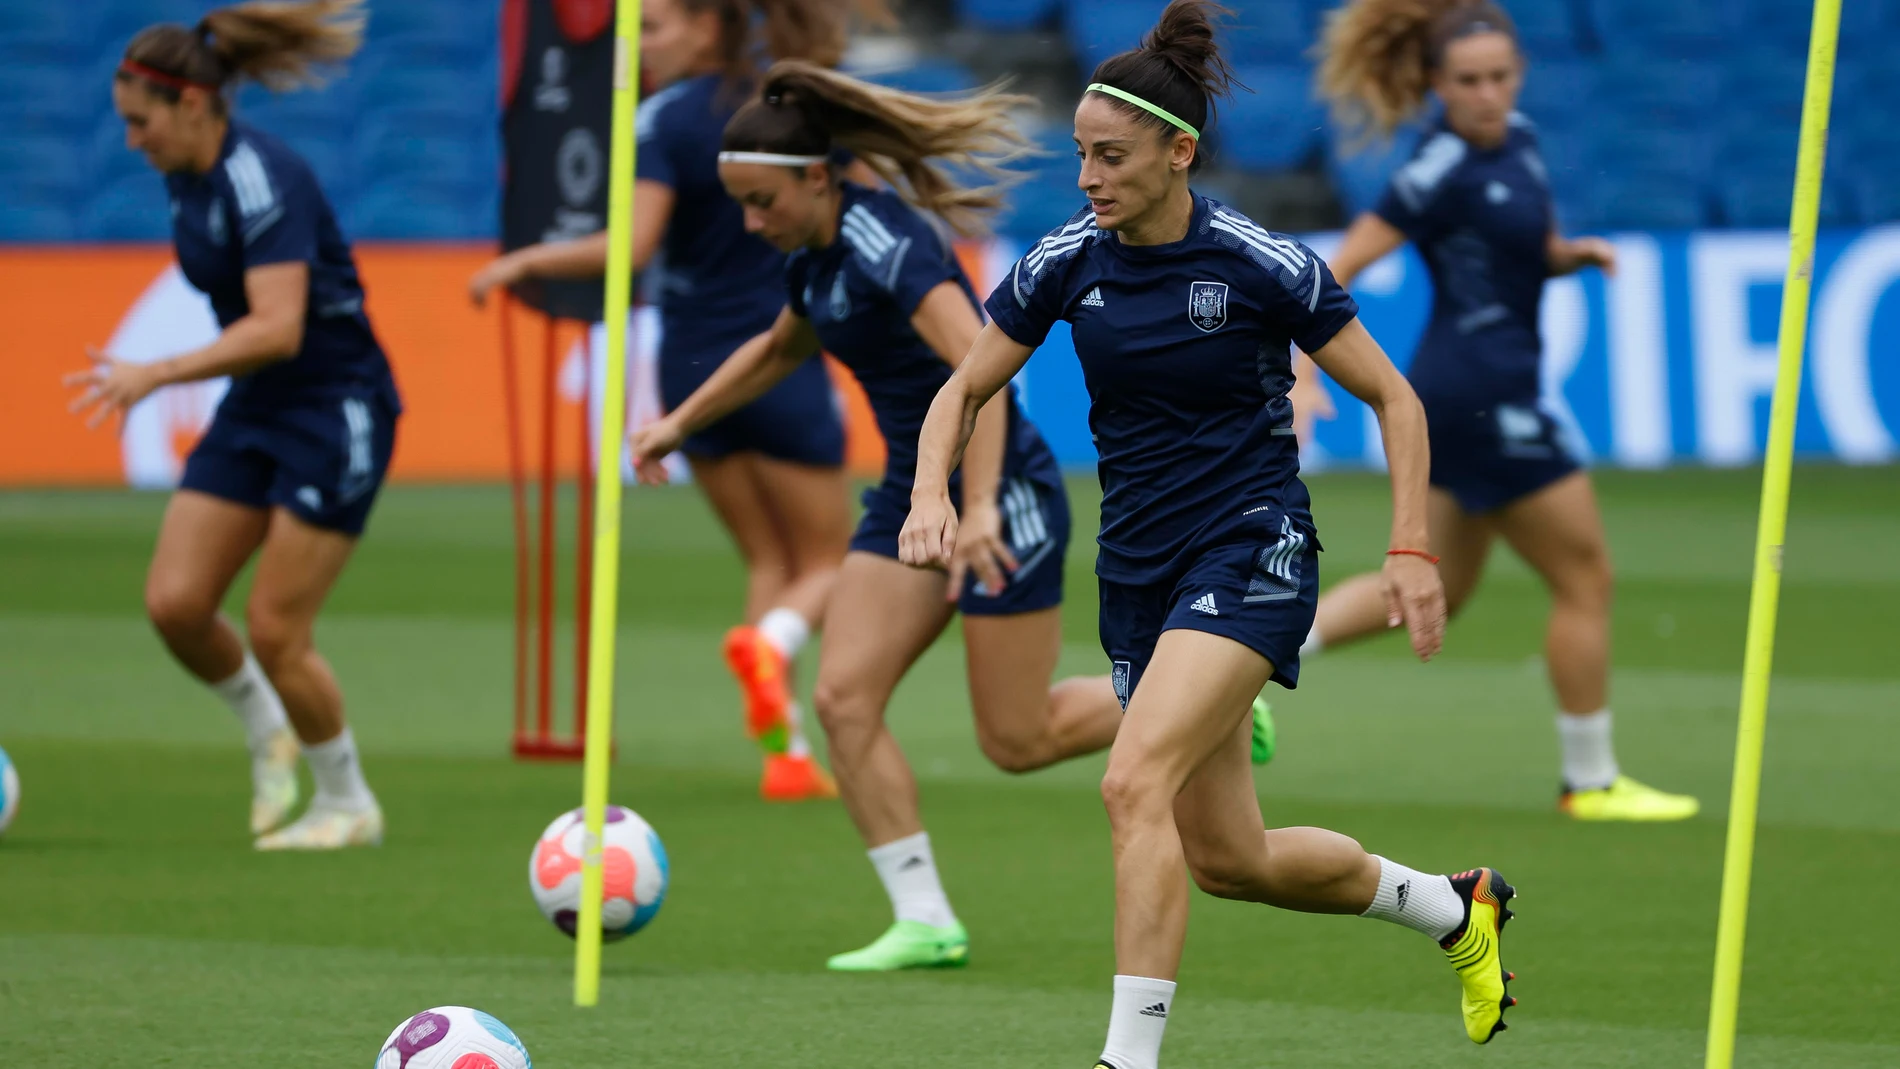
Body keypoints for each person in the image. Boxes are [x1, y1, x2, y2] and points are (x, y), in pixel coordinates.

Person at [903, 2, 1517, 1061]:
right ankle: (1454, 908)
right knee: (1230, 860)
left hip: (1251, 548)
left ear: (1177, 152)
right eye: (1082, 157)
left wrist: (1410, 547)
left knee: (1128, 780)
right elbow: (961, 388)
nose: (1089, 178)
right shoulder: (1066, 259)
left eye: (1111, 157)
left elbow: (1398, 401)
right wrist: (930, 494)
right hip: (1137, 571)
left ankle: (1124, 1058)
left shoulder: (1255, 259)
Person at [627, 59, 1245, 974]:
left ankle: (1199, 705)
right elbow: (777, 349)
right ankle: (925, 916)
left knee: (1016, 738)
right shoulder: (816, 254)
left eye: (762, 203)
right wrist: (675, 423)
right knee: (841, 700)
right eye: (741, 209)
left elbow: (982, 379)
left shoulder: (890, 245)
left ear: (817, 177)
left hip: (1007, 495)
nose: (754, 226)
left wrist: (984, 504)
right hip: (909, 498)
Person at [468, 0, 891, 802]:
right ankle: (774, 651)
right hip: (778, 353)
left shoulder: (662, 120)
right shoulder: (787, 106)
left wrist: (526, 259)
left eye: (655, 27)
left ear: (708, 26)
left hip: (689, 369)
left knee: (768, 557)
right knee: (830, 561)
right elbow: (858, 202)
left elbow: (633, 249)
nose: (640, 45)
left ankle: (785, 750)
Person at [1305, 0, 1697, 820]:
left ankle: (1254, 653)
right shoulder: (1435, 168)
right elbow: (1331, 270)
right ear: (1437, 86)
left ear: (1518, 75)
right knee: (1586, 575)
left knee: (1434, 582)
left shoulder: (1517, 140)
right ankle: (1589, 780)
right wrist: (1304, 365)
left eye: (1499, 77)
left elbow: (1520, 248)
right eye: (1468, 81)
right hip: (1483, 398)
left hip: (1475, 401)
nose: (1487, 93)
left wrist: (1570, 257)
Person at [64, 0, 390, 850]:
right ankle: (264, 727)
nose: (133, 141)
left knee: (278, 627)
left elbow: (279, 326)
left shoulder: (261, 177)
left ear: (193, 106)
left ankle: (348, 801)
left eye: (142, 122)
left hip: (335, 406)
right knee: (176, 603)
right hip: (259, 403)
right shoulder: (187, 175)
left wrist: (154, 375)